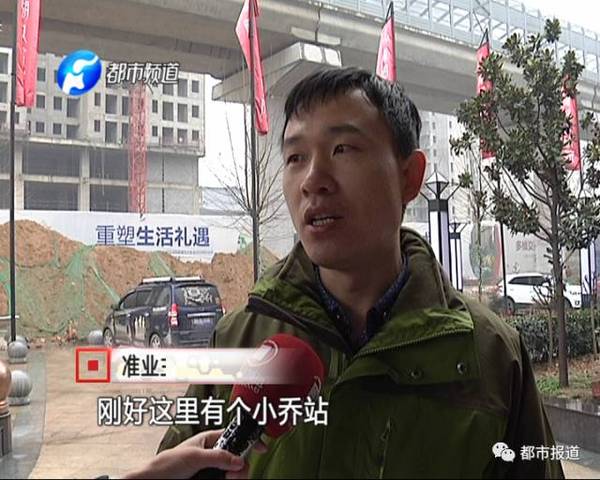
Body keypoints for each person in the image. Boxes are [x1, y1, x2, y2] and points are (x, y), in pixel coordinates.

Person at [156, 67, 565, 478]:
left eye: (343, 149)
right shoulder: (238, 340)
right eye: (296, 158)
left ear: (409, 177)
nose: (313, 181)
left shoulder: (492, 354)